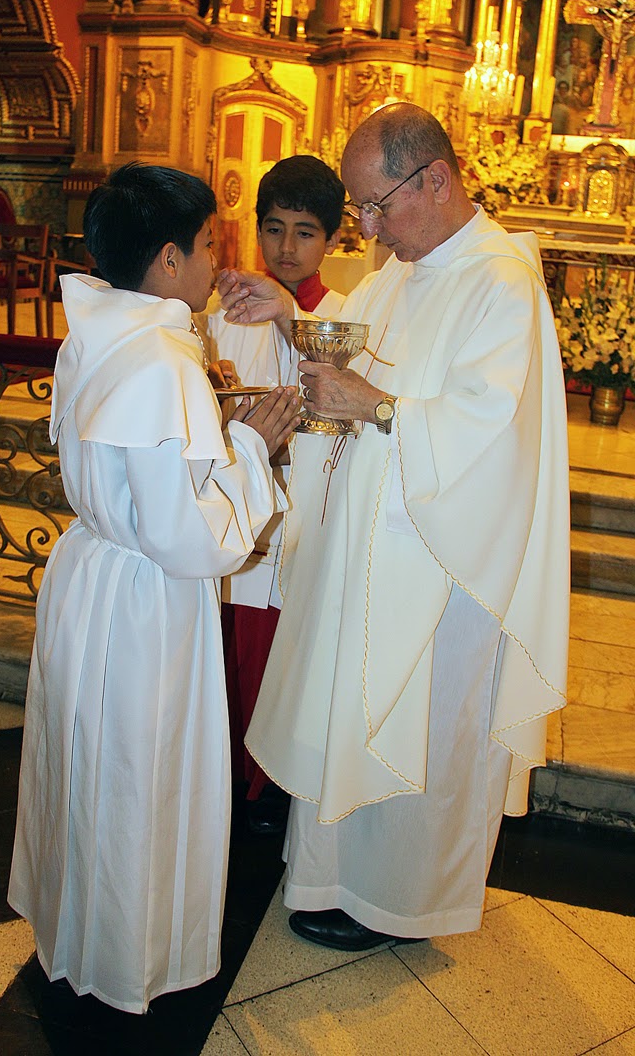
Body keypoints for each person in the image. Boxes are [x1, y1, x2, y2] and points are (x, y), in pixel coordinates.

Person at [218, 103, 570, 952]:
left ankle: (403, 904)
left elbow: (493, 430)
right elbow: (352, 347)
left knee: (425, 731)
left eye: (378, 206)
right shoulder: (404, 267)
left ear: (436, 179)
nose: (368, 227)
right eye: (361, 209)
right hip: (369, 552)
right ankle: (337, 878)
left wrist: (374, 407)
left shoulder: (499, 280)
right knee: (354, 716)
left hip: (442, 564)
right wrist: (284, 313)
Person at [7, 162, 300, 1012]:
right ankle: (124, 957)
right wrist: (253, 450)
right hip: (145, 601)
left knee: (86, 763)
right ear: (168, 260)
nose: (219, 261)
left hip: (92, 572)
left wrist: (222, 435)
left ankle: (77, 932)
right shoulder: (167, 362)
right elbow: (187, 538)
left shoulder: (98, 331)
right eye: (211, 244)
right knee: (138, 773)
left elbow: (138, 484)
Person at [196, 154, 345, 832]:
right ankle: (225, 776)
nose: (286, 248)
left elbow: (343, 388)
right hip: (236, 503)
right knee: (229, 647)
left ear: (335, 240)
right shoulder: (223, 316)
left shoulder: (343, 314)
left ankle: (272, 783)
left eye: (305, 232)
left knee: (282, 652)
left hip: (303, 516)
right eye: (274, 227)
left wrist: (288, 315)